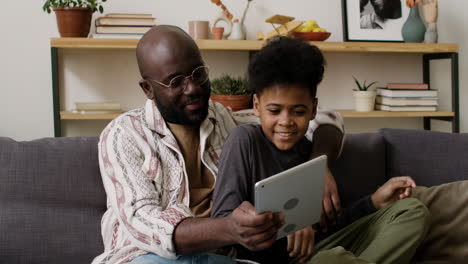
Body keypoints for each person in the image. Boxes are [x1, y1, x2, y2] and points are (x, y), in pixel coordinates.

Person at [92, 25, 346, 264]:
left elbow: (325, 118)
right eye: (175, 82)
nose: (192, 88)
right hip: (148, 257)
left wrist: (318, 167)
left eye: (198, 73)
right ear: (148, 88)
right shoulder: (124, 134)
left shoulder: (223, 118)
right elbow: (144, 223)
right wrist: (229, 229)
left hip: (223, 257)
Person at [211, 36, 430, 264]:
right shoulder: (244, 141)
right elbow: (224, 223)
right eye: (275, 111)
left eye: (298, 111)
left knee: (412, 210)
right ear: (257, 106)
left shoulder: (311, 152)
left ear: (313, 109)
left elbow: (331, 226)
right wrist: (286, 224)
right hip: (267, 259)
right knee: (334, 259)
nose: (286, 122)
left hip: (319, 252)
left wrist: (374, 201)